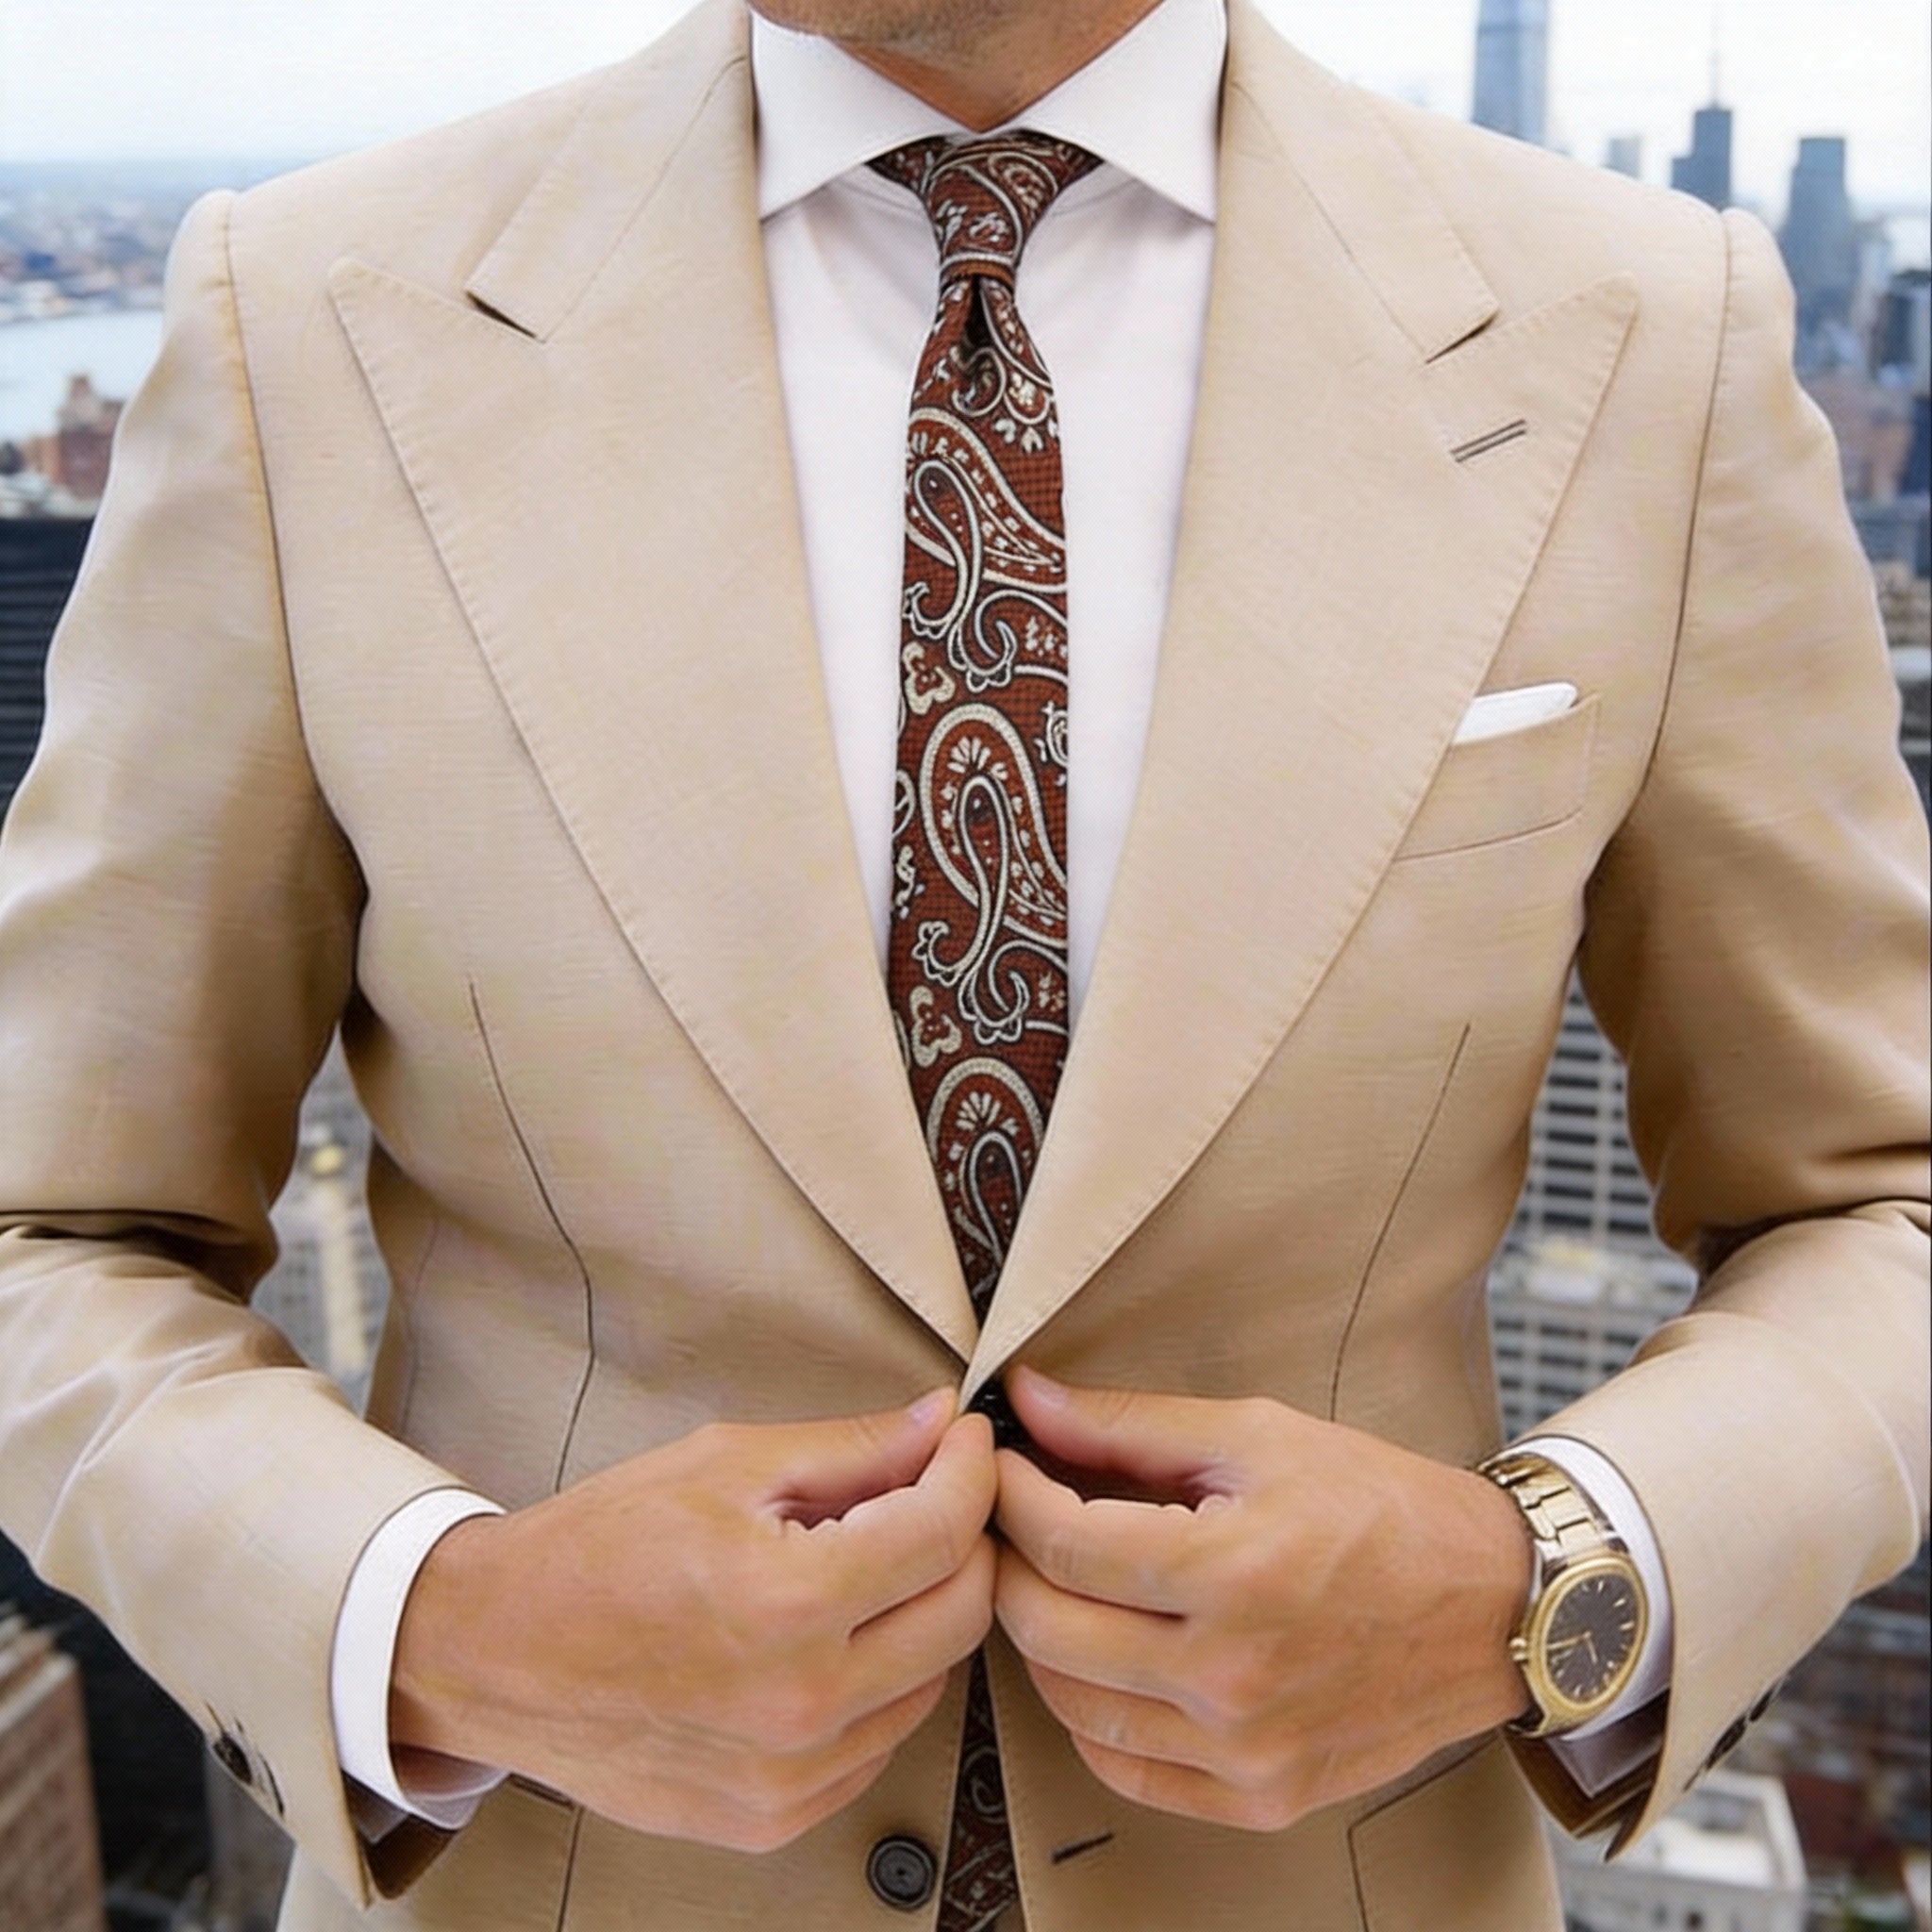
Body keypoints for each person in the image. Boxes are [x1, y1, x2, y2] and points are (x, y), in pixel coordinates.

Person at [0, 0, 1924, 1926]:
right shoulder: (309, 318)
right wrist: (439, 1623)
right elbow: (49, 1233)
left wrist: (1549, 1586)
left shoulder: (1641, 333)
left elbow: (1879, 1203)